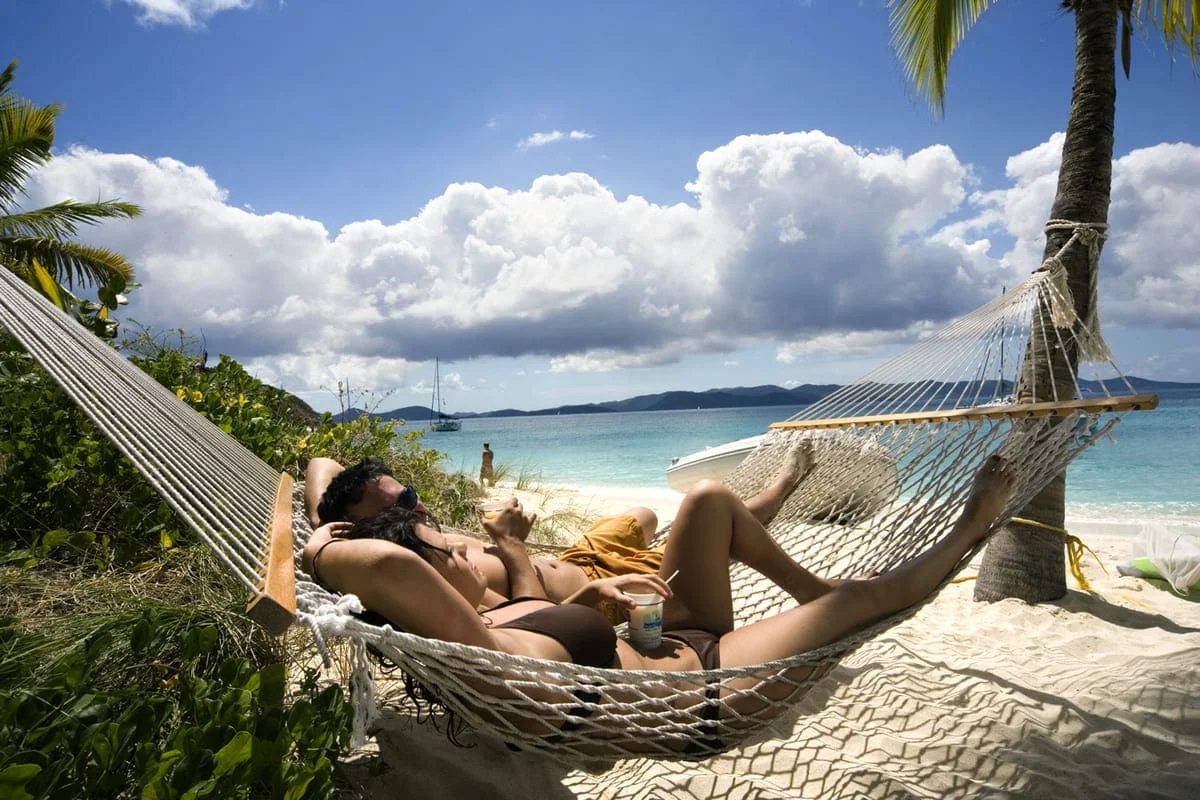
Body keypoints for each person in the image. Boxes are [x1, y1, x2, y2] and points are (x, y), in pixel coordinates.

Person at [303, 454, 1015, 728]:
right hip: (709, 683)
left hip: (672, 634)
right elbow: (374, 560)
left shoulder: (492, 610)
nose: (462, 545)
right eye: (445, 546)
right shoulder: (477, 636)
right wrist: (321, 537)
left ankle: (807, 583)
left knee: (708, 500)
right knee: (858, 599)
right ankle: (968, 531)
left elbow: (326, 470)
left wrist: (592, 594)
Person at [303, 452, 809, 621]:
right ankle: (781, 487)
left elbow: (319, 464)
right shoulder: (424, 569)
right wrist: (511, 545)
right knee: (711, 512)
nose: (418, 506)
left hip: (580, 555)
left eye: (409, 493)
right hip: (604, 595)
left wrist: (323, 526)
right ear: (374, 532)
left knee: (645, 513)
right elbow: (532, 620)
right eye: (403, 507)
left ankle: (695, 531)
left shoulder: (413, 534)